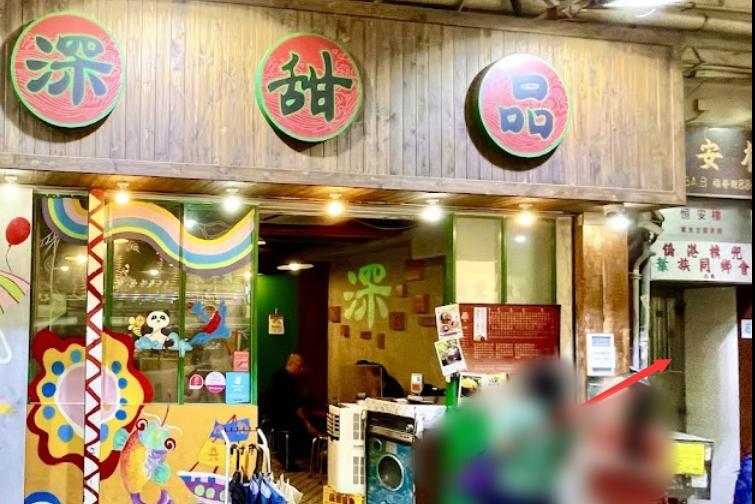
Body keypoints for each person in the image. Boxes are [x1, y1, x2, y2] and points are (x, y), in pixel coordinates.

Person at [262, 353, 323, 468]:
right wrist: (308, 424)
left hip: (277, 415)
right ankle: (300, 457)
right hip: (282, 417)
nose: (301, 369)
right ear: (290, 363)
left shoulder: (279, 377)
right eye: (299, 366)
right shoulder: (287, 381)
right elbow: (294, 406)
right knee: (308, 427)